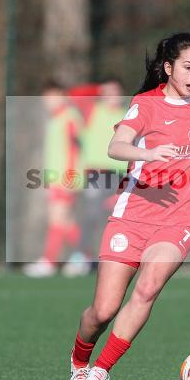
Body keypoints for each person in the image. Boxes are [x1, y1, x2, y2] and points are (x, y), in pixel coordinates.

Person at [67, 33, 190, 380]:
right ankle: (80, 361)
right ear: (168, 68)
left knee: (147, 290)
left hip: (178, 219)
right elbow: (116, 145)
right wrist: (146, 154)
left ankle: (100, 371)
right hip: (131, 216)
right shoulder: (146, 104)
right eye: (188, 67)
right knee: (102, 310)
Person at [24, 80, 85, 277]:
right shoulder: (55, 119)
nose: (48, 101)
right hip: (56, 179)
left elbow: (75, 150)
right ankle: (83, 257)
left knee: (57, 219)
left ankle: (50, 261)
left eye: (52, 96)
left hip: (67, 178)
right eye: (46, 98)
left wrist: (69, 177)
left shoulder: (69, 117)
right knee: (65, 221)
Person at [68, 80, 128, 273]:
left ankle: (114, 259)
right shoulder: (93, 109)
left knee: (117, 218)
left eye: (116, 91)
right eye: (108, 91)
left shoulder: (126, 115)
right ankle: (83, 257)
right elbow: (73, 94)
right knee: (90, 216)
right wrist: (98, 89)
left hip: (120, 175)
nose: (113, 96)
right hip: (97, 173)